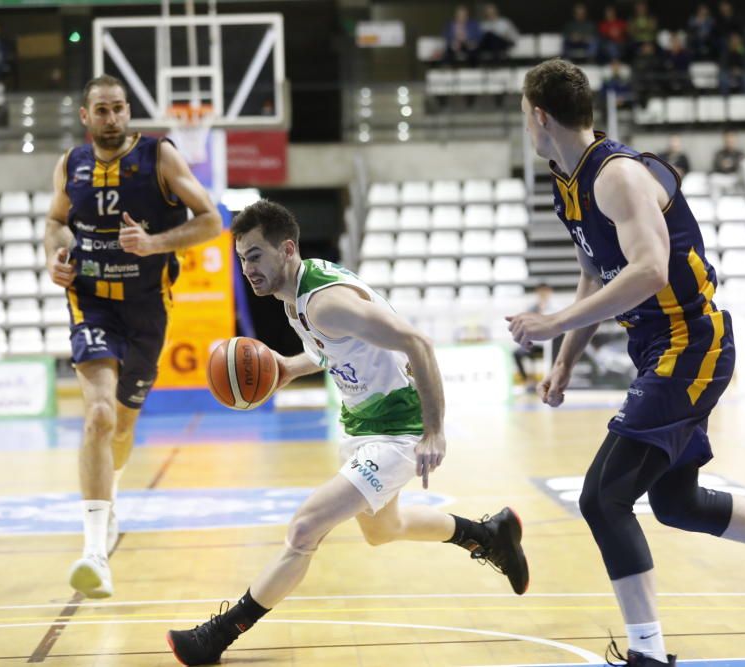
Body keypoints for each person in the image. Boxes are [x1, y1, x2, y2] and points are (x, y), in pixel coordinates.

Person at [508, 59, 745, 666]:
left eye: (523, 113)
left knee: (602, 498)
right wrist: (566, 358)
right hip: (658, 346)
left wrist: (552, 324)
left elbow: (648, 271)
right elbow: (597, 270)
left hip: (689, 341)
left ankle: (648, 653)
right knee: (676, 504)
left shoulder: (616, 176)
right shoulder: (564, 178)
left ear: (539, 115)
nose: (525, 123)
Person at [166, 200, 529, 665]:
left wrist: (434, 432)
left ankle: (217, 636)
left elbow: (417, 342)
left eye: (255, 255)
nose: (247, 267)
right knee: (384, 530)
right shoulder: (297, 292)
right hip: (362, 424)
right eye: (241, 258)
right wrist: (287, 369)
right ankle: (487, 534)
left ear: (287, 249)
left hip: (400, 429)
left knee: (304, 529)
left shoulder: (324, 302)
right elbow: (333, 349)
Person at [44, 74, 223, 598]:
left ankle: (112, 490)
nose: (112, 118)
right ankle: (94, 554)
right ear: (86, 116)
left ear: (128, 110)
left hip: (147, 310)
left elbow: (212, 220)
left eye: (120, 108)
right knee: (97, 415)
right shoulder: (70, 164)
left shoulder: (160, 158)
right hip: (90, 302)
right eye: (102, 110)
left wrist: (155, 243)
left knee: (122, 425)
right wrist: (55, 254)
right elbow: (56, 222)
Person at [513, 282, 554, 389]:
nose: (542, 294)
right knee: (517, 353)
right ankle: (527, 381)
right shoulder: (531, 308)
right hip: (535, 343)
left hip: (551, 343)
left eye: (545, 292)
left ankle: (552, 381)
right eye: (540, 292)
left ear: (549, 292)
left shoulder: (555, 307)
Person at [709, 130, 745, 198]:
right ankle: (715, 207)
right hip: (724, 179)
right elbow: (719, 167)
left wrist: (730, 164)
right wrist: (733, 164)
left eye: (732, 138)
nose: (730, 140)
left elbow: (742, 168)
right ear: (724, 140)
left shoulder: (740, 153)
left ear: (735, 140)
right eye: (728, 138)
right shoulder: (719, 154)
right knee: (713, 179)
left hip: (737, 178)